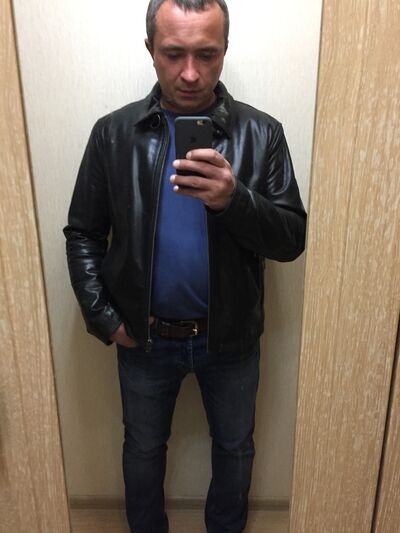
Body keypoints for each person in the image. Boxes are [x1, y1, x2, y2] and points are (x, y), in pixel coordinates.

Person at [63, 0, 307, 531]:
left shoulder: (262, 133)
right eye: (174, 54)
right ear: (150, 48)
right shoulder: (113, 134)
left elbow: (291, 239)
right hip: (144, 337)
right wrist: (105, 318)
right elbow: (83, 232)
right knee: (143, 449)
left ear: (225, 50)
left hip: (231, 338)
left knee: (235, 449)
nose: (191, 73)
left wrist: (234, 199)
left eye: (207, 54)